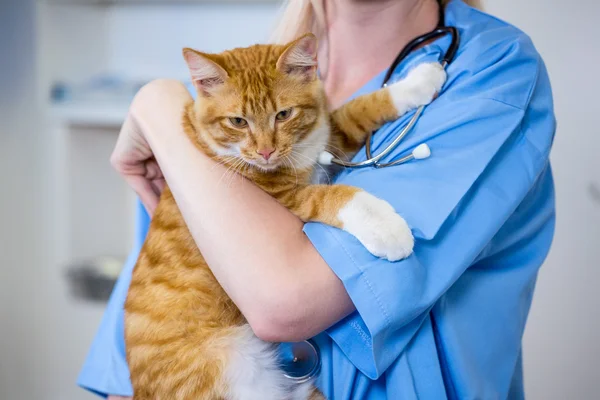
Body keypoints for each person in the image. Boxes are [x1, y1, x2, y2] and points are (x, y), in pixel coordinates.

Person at [78, 0, 556, 398]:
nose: (263, 142)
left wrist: (155, 103)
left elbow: (284, 304)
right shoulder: (221, 96)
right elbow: (132, 365)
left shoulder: (493, 69)